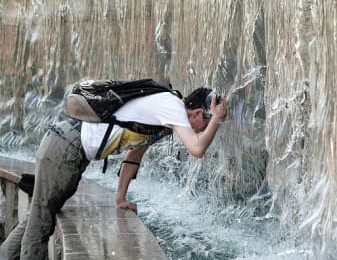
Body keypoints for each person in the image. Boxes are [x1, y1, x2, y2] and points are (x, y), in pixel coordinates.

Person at [0, 86, 228, 260]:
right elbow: (197, 149)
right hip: (65, 147)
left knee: (38, 216)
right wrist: (217, 118)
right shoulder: (173, 108)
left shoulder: (164, 118)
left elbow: (134, 156)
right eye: (205, 124)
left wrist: (120, 197)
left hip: (68, 148)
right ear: (199, 112)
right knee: (41, 224)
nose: (202, 131)